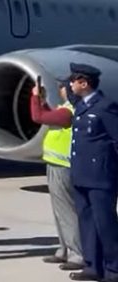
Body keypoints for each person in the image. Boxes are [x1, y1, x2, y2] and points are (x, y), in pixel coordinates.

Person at [66, 63, 118, 282]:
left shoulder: (105, 107)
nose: (70, 85)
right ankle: (92, 265)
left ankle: (114, 268)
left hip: (100, 176)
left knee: (105, 223)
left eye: (73, 81)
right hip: (81, 174)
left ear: (84, 83)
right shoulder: (81, 105)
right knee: (86, 222)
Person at [30, 79, 84, 271]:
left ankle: (77, 253)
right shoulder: (66, 108)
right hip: (55, 164)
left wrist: (35, 98)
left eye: (62, 87)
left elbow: (38, 117)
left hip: (63, 166)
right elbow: (47, 115)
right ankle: (64, 249)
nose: (59, 90)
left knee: (67, 212)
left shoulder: (69, 110)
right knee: (59, 211)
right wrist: (43, 101)